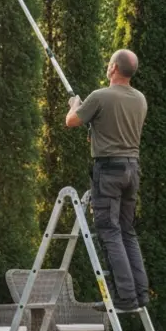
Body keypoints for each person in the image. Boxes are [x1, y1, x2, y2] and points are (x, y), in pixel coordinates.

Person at [65, 49, 149, 312]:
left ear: (113, 68)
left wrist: (75, 105)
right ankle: (140, 293)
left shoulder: (100, 96)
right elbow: (111, 127)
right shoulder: (140, 99)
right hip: (131, 169)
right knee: (126, 231)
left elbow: (71, 121)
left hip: (109, 171)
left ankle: (124, 296)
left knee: (109, 231)